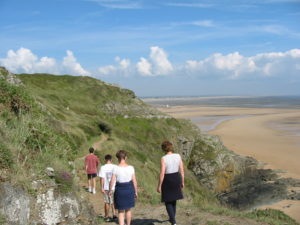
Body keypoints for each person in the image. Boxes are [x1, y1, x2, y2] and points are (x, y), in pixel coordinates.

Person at [157, 141, 184, 225]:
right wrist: (182, 181)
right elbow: (182, 171)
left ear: (163, 149)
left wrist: (159, 185)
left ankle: (173, 221)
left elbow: (162, 173)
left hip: (167, 179)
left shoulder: (163, 158)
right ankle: (172, 219)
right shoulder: (178, 156)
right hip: (176, 177)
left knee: (168, 201)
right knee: (174, 200)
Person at [109, 150, 138, 225]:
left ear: (118, 158)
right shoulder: (131, 168)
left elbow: (112, 181)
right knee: (128, 210)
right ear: (126, 157)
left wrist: (110, 190)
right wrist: (136, 192)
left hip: (119, 190)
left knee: (120, 211)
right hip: (129, 189)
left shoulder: (115, 168)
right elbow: (134, 181)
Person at [98, 154, 117, 222]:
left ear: (105, 160)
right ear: (111, 160)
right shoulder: (115, 167)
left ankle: (106, 216)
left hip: (106, 187)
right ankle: (114, 215)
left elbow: (102, 178)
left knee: (107, 202)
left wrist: (102, 187)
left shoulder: (103, 167)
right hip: (114, 187)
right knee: (114, 201)